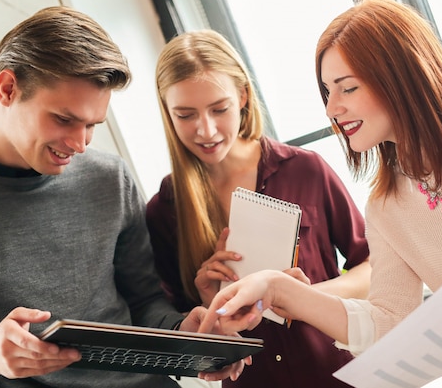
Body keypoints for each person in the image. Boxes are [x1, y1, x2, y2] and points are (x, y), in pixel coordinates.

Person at [198, 0, 442, 388]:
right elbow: (388, 322)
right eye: (327, 91)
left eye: (347, 88)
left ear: (400, 76)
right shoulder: (386, 207)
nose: (331, 109)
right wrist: (276, 288)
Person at [0, 6, 246, 388]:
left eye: (92, 126)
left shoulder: (110, 178)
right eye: (64, 120)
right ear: (7, 89)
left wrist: (184, 330)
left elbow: (146, 302)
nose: (80, 145)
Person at [146, 29, 371, 388]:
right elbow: (172, 328)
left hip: (340, 375)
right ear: (167, 113)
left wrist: (298, 297)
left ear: (243, 96)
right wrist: (210, 306)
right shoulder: (164, 210)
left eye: (219, 109)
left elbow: (371, 268)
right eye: (186, 115)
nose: (206, 130)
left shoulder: (305, 169)